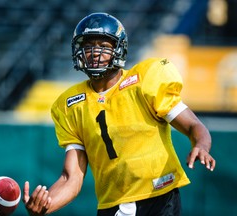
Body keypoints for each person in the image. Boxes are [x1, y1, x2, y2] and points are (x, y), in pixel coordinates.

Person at [22, 12, 216, 216]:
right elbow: (71, 178)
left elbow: (194, 125)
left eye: (104, 47)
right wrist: (46, 205)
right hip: (115, 205)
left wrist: (201, 145)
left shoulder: (145, 81)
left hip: (163, 197)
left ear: (119, 50)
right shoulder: (70, 104)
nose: (95, 53)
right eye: (89, 47)